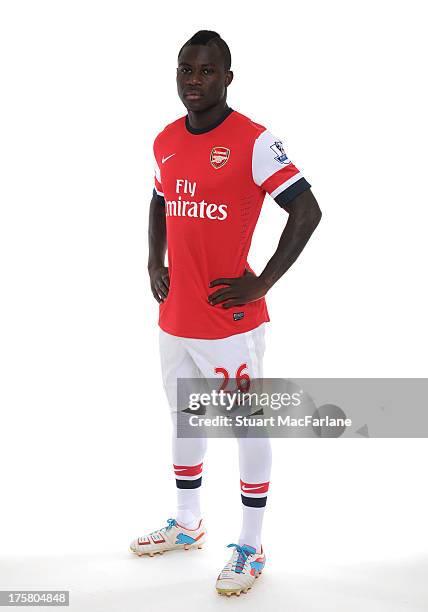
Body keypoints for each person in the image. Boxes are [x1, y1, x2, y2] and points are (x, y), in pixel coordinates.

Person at [130, 30, 322, 596]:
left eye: (206, 71)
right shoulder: (165, 139)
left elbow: (307, 210)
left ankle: (252, 544)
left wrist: (260, 281)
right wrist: (152, 263)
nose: (194, 80)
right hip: (176, 316)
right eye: (185, 70)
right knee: (184, 418)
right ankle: (189, 526)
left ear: (227, 77)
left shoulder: (255, 142)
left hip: (229, 320)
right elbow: (160, 199)